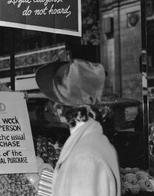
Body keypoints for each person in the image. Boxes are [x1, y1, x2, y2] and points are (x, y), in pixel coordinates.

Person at [35, 59, 121, 196]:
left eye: (53, 99)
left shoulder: (84, 158)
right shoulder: (98, 143)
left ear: (62, 107)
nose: (48, 105)